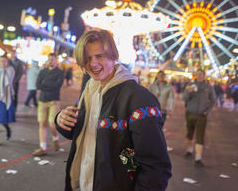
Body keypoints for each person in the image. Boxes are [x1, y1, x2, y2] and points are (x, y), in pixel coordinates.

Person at [55, 30, 171, 191]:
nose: (93, 64)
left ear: (113, 56)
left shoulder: (139, 99)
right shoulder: (90, 90)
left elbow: (156, 167)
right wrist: (60, 120)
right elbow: (80, 133)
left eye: (99, 56)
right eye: (87, 58)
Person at [32, 53, 64, 156]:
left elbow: (57, 86)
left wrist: (45, 84)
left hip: (54, 101)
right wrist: (48, 85)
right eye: (49, 59)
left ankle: (56, 138)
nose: (51, 61)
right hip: (42, 101)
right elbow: (38, 85)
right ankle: (43, 147)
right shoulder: (42, 71)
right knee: (42, 124)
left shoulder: (59, 73)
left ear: (56, 61)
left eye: (53, 59)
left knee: (52, 124)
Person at [183, 69, 216, 167]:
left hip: (202, 114)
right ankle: (189, 149)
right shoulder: (190, 85)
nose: (199, 76)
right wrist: (188, 92)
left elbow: (213, 101)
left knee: (200, 135)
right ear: (195, 75)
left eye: (201, 74)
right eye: (198, 74)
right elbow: (185, 99)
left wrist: (207, 111)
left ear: (204, 76)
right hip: (190, 113)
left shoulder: (208, 87)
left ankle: (198, 157)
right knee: (190, 132)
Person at [9, 50, 24, 116]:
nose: (12, 55)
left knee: (14, 95)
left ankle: (14, 110)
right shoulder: (9, 61)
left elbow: (20, 72)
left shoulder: (19, 62)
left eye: (13, 53)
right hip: (8, 81)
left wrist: (15, 80)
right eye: (11, 53)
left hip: (15, 82)